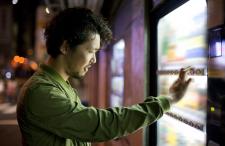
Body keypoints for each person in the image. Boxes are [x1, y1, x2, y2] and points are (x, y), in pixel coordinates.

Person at [16, 7, 192, 146]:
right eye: (91, 51)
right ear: (65, 47)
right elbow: (100, 125)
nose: (94, 60)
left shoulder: (60, 84)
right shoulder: (40, 92)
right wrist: (167, 101)